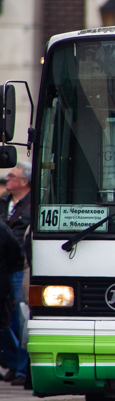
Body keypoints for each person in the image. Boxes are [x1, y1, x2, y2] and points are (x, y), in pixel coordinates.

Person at [0, 163, 29, 387]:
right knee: (5, 320)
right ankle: (11, 362)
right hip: (4, 266)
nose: (7, 179)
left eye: (12, 176)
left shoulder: (33, 204)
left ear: (24, 181)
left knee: (21, 317)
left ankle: (22, 369)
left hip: (19, 266)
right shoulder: (3, 203)